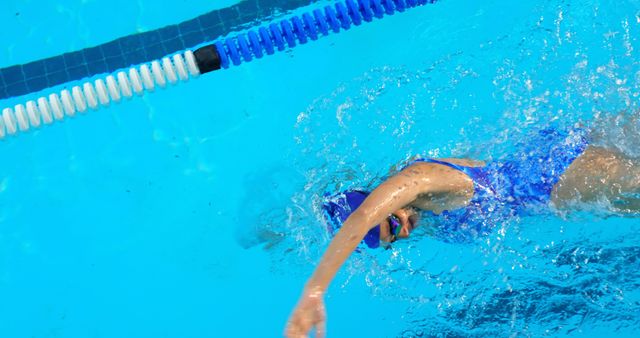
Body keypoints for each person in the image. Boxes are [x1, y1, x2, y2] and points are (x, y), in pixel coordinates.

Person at [284, 124, 640, 338]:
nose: (404, 233)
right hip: (547, 175)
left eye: (392, 222)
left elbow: (361, 215)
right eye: (394, 240)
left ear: (383, 201)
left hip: (555, 176)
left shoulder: (421, 180)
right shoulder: (421, 207)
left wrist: (314, 291)